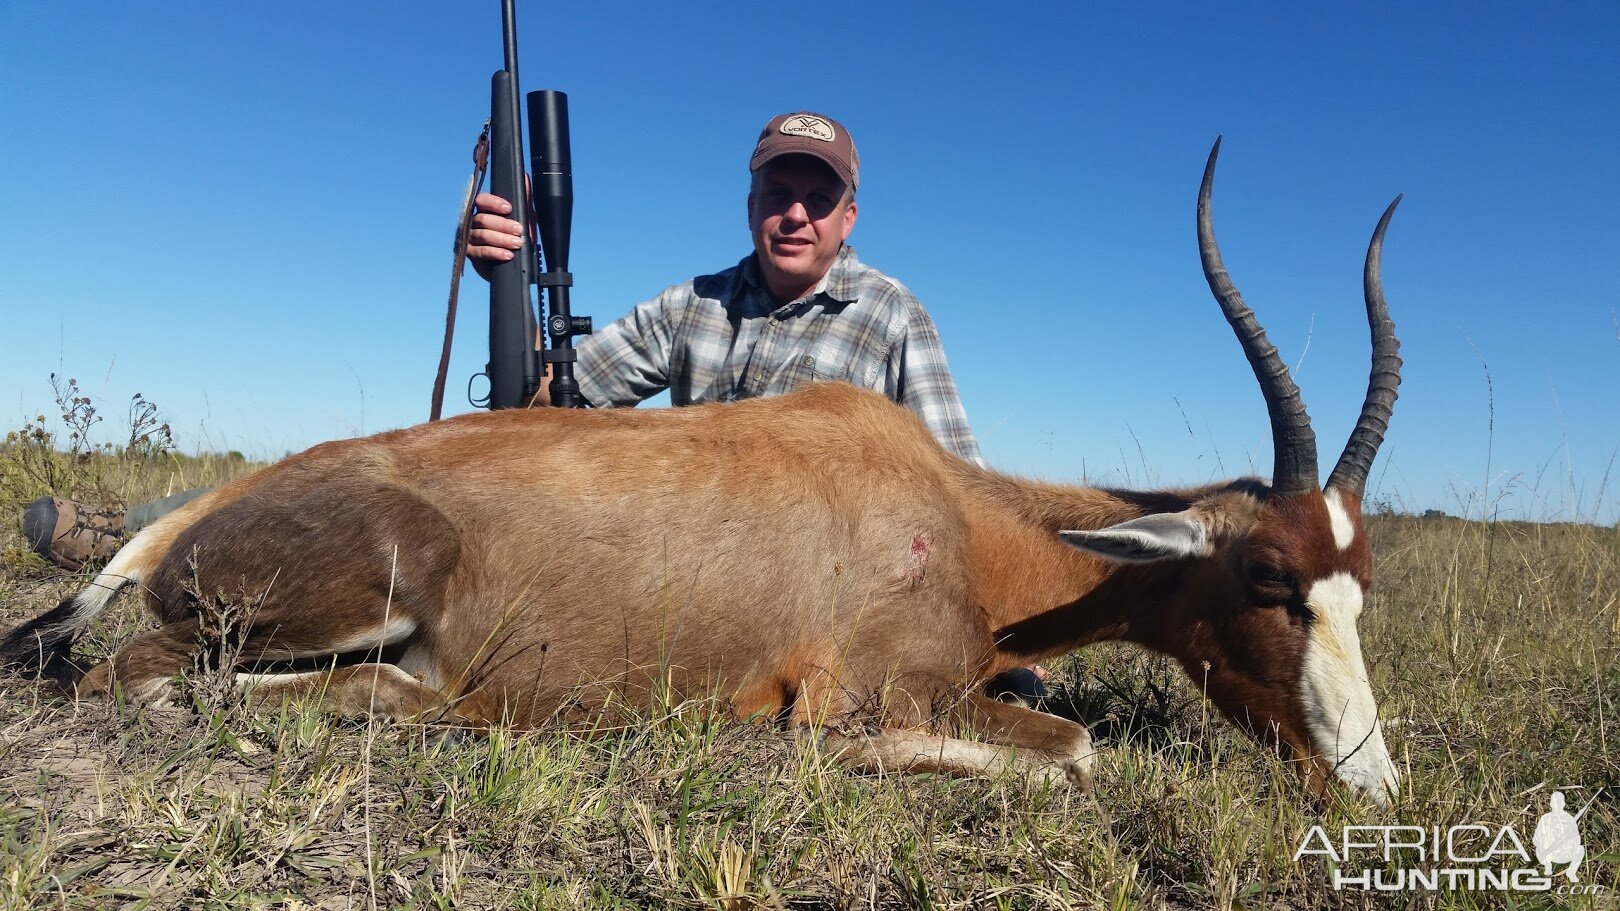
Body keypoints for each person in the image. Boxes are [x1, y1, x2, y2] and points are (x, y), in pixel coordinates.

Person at [21, 111, 1047, 703]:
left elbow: (966, 501)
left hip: (792, 598)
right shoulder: (693, 304)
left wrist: (994, 653)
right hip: (663, 552)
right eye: (778, 189)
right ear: (750, 200)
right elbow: (549, 404)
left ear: (848, 215)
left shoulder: (892, 315)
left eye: (816, 197)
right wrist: (498, 280)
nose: (794, 212)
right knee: (400, 476)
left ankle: (146, 542)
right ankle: (144, 532)